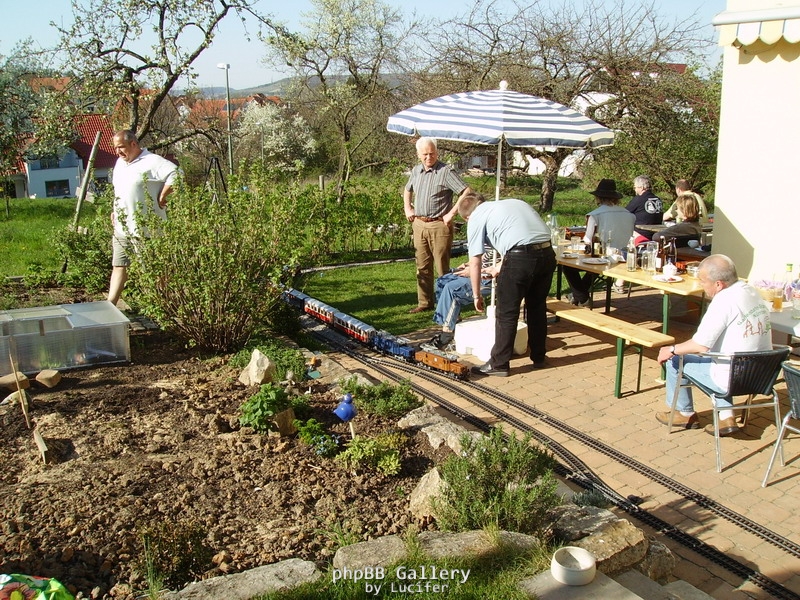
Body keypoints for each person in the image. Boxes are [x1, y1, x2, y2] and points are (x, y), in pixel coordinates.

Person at [654, 254, 772, 435]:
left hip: (734, 378)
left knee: (676, 360)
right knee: (722, 359)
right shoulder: (751, 292)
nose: (701, 285)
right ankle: (726, 417)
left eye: (703, 281)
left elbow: (700, 345)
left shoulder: (723, 301)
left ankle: (683, 413)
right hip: (763, 375)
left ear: (718, 284)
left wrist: (671, 349)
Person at [458, 192, 556, 377]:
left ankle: (499, 363)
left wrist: (476, 294)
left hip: (520, 258)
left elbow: (476, 261)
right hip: (547, 254)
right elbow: (524, 236)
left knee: (507, 313)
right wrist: (501, 265)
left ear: (467, 216)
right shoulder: (514, 202)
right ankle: (539, 357)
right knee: (536, 307)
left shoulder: (476, 217)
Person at [107, 129, 178, 306]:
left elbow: (177, 175)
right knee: (119, 266)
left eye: (121, 147)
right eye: (116, 148)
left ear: (133, 144)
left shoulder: (152, 161)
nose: (118, 152)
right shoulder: (119, 163)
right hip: (123, 228)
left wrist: (163, 196)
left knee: (153, 271)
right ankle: (110, 305)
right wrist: (115, 209)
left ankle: (164, 306)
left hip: (146, 229)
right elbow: (120, 189)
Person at [403, 137, 472, 314]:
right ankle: (425, 303)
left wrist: (452, 213)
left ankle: (445, 305)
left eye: (432, 153)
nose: (429, 157)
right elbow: (407, 189)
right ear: (418, 155)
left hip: (439, 225)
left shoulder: (445, 171)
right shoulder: (416, 171)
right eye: (425, 154)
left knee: (442, 267)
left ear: (437, 152)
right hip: (419, 223)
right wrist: (408, 208)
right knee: (422, 266)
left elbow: (466, 191)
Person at [563, 179, 635, 305]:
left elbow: (587, 240)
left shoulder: (595, 215)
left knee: (568, 266)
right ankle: (578, 295)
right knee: (594, 265)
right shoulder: (629, 214)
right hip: (624, 256)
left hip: (604, 256)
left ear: (598, 197)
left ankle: (582, 297)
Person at [429, 247, 500, 349]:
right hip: (476, 270)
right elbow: (483, 257)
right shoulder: (485, 237)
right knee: (442, 281)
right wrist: (468, 265)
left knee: (452, 290)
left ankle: (446, 335)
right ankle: (454, 325)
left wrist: (473, 271)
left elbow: (502, 263)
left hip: (488, 278)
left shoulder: (501, 239)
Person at [626, 175, 663, 243]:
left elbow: (625, 213)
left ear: (642, 187)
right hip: (656, 234)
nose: (635, 190)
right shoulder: (658, 199)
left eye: (635, 187)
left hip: (642, 234)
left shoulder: (639, 199)